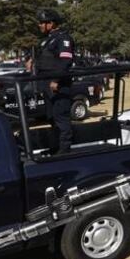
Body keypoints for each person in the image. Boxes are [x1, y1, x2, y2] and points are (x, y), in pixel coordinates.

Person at [29, 9, 75, 154]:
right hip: (46, 85)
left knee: (61, 118)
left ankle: (64, 150)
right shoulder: (47, 39)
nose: (39, 25)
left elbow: (65, 61)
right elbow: (45, 59)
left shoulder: (63, 38)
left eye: (42, 23)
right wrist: (31, 61)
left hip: (58, 86)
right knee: (52, 118)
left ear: (51, 23)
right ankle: (56, 147)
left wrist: (56, 80)